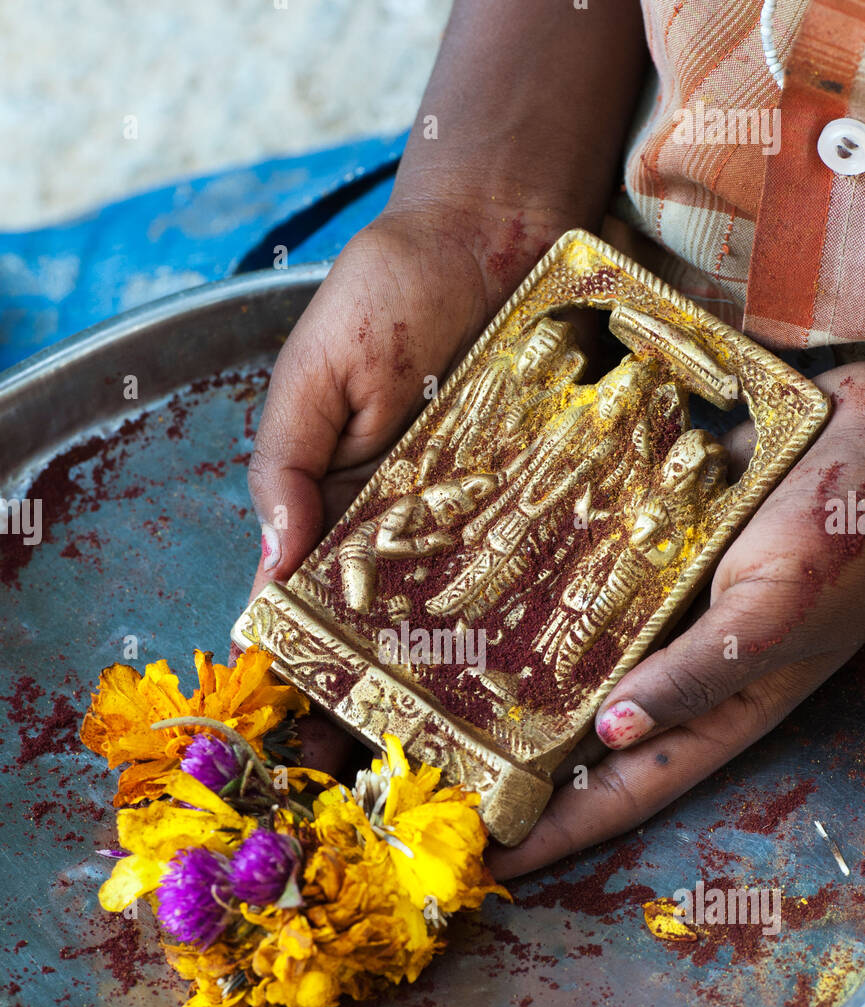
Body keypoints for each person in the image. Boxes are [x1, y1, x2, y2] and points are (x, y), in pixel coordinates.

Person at [246, 0, 865, 884]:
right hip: (606, 180)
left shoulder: (646, 489)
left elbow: (599, 542)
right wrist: (478, 201)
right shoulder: (546, 408)